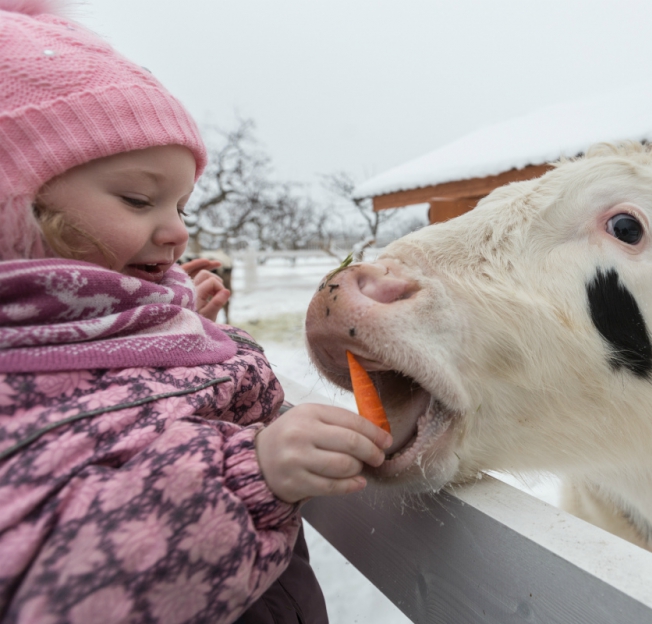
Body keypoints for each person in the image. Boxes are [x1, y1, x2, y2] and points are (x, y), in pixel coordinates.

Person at [0, 3, 392, 623]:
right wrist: (251, 473)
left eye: (182, 205)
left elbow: (176, 394)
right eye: (138, 198)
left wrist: (193, 328)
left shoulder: (126, 320)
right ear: (15, 205)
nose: (177, 233)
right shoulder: (22, 378)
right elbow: (73, 588)